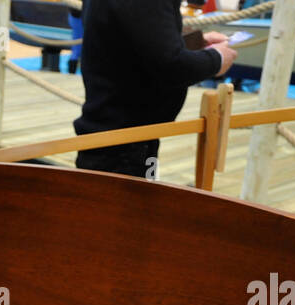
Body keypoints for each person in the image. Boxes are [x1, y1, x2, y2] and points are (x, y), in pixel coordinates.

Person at [73, 0, 234, 178]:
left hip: (123, 135)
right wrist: (216, 59)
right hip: (126, 141)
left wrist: (193, 44)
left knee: (131, 198)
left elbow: (131, 44)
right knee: (130, 203)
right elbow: (170, 66)